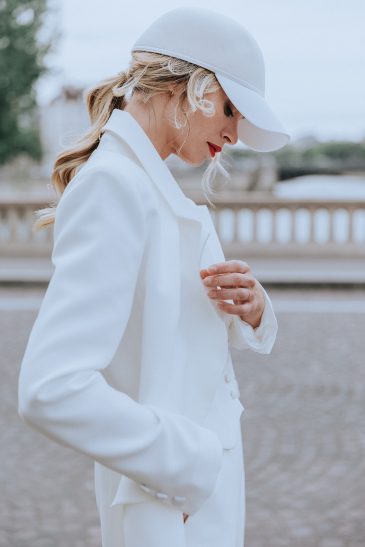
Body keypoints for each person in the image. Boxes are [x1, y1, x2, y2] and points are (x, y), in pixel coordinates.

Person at [17, 6, 290, 547]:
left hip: (187, 494)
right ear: (197, 87)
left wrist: (251, 309)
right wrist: (186, 463)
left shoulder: (150, 188)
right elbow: (51, 388)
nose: (234, 134)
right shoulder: (114, 187)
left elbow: (176, 338)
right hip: (165, 502)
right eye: (232, 110)